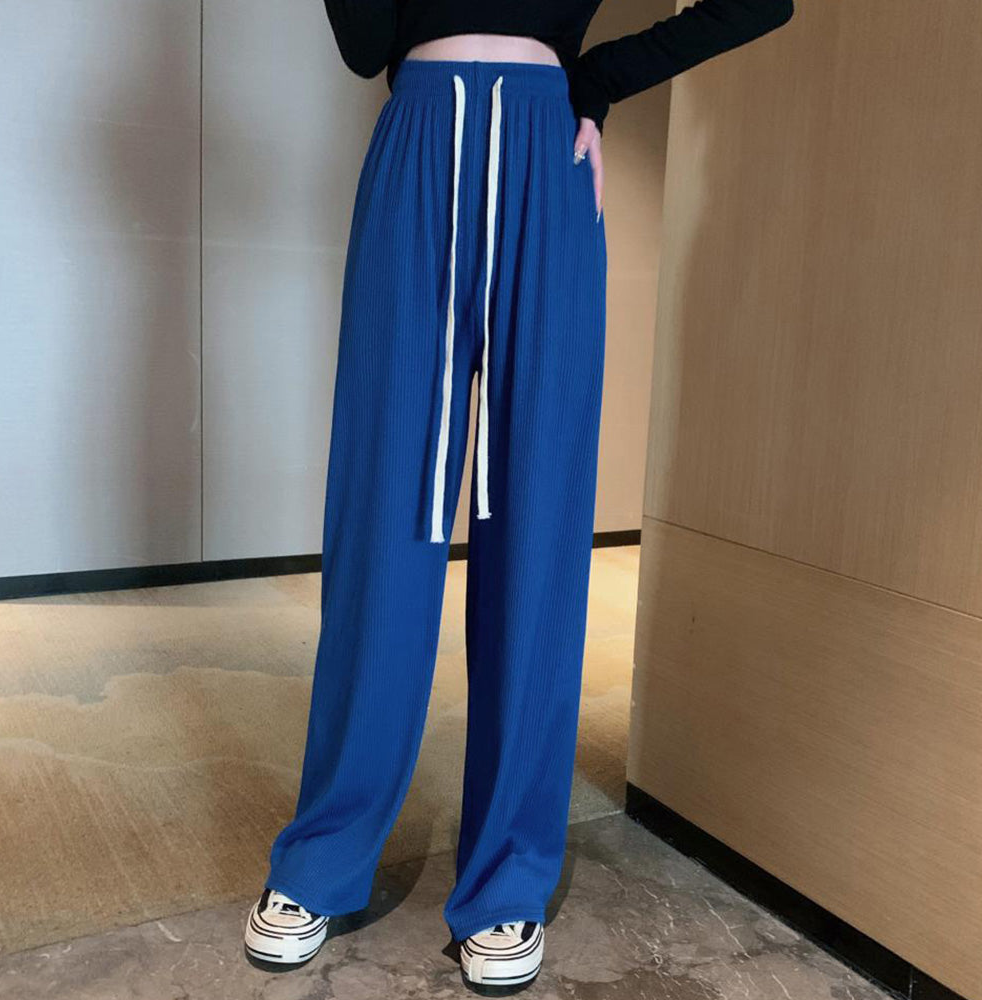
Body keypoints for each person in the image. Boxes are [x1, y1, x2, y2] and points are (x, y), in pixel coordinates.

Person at [243, 0, 794, 993]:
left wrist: (596, 81)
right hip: (418, 141)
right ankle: (323, 853)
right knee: (383, 515)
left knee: (536, 523)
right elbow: (364, 45)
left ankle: (508, 873)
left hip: (545, 153)